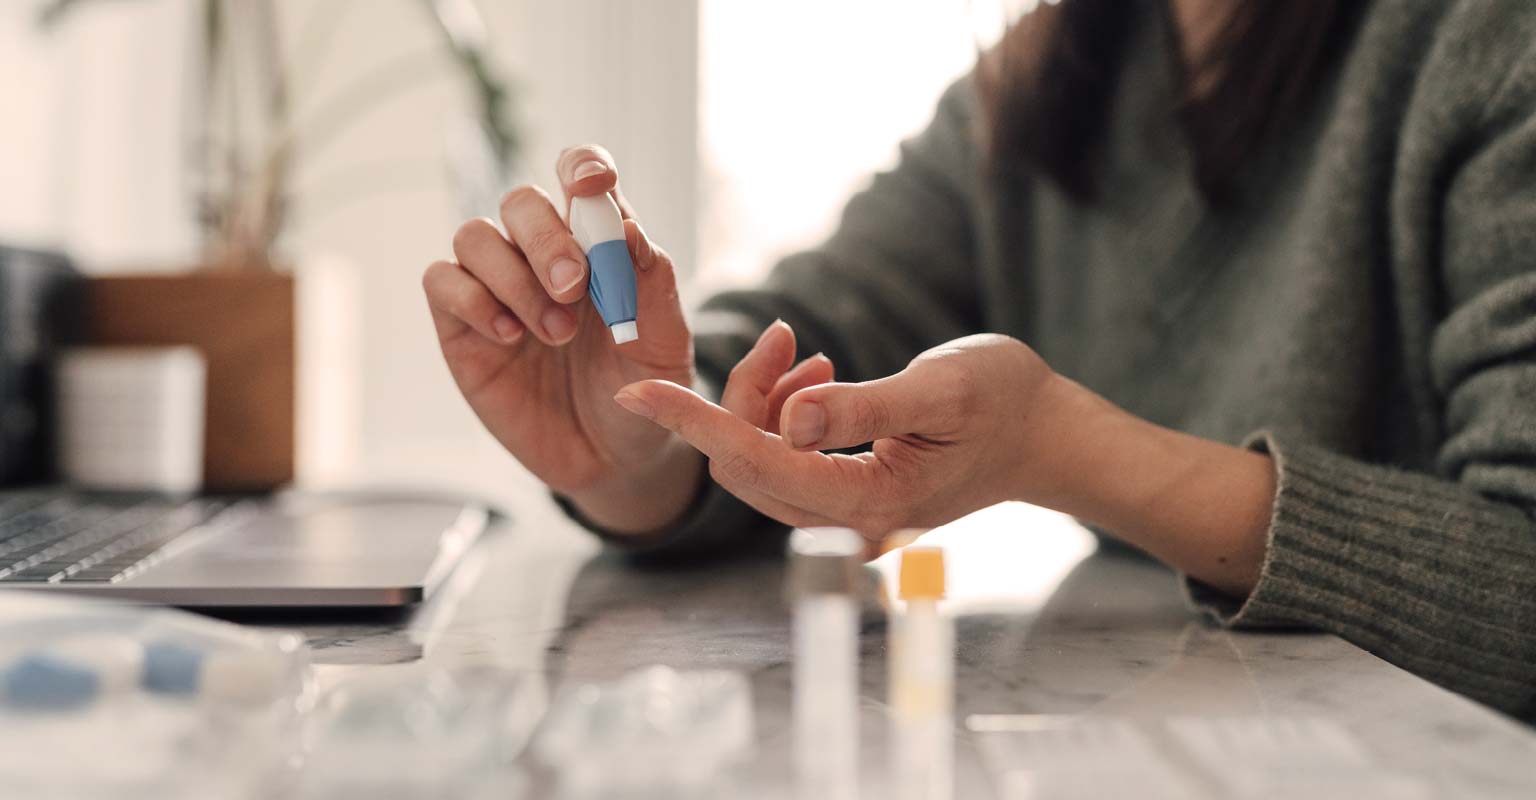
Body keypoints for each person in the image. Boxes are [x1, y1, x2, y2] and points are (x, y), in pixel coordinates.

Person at [422, 0, 1536, 720]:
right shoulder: (1055, 72)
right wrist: (641, 442)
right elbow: (822, 317)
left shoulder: (1488, 45)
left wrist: (1065, 449)